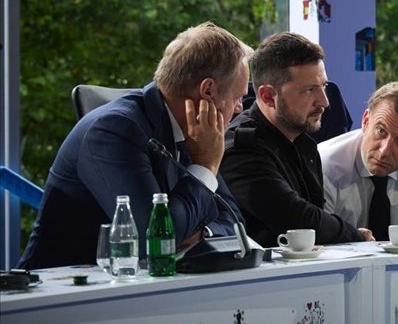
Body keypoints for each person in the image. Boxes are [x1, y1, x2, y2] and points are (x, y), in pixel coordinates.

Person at [18, 22, 251, 270]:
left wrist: (202, 235)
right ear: (208, 90)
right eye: (237, 97)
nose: (240, 108)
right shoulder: (114, 129)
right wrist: (204, 165)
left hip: (133, 283)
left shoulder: (194, 132)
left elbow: (234, 221)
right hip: (63, 286)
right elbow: (153, 241)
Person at [220, 32, 373, 247]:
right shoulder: (241, 148)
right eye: (309, 90)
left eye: (323, 87)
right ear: (267, 96)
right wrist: (354, 234)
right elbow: (298, 220)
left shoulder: (302, 141)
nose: (324, 102)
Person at [318, 82, 398, 240]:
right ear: (366, 121)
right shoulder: (324, 163)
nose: (384, 151)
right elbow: (318, 241)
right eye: (381, 131)